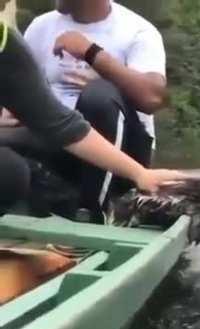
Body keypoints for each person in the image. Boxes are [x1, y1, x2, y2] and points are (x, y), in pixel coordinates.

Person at [0, 18, 185, 215]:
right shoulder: (39, 26)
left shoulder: (139, 31)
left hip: (98, 145)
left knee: (10, 172)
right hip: (33, 140)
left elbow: (62, 124)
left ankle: (96, 211)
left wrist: (141, 174)